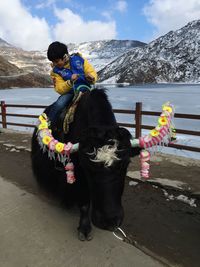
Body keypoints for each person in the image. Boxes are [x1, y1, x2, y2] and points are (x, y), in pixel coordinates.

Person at [47, 41, 98, 127]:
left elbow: (91, 72)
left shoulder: (80, 60)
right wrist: (70, 82)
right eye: (53, 62)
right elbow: (59, 88)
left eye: (56, 61)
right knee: (59, 104)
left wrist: (92, 78)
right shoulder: (55, 72)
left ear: (65, 56)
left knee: (101, 101)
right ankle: (49, 125)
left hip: (86, 89)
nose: (55, 64)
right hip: (70, 92)